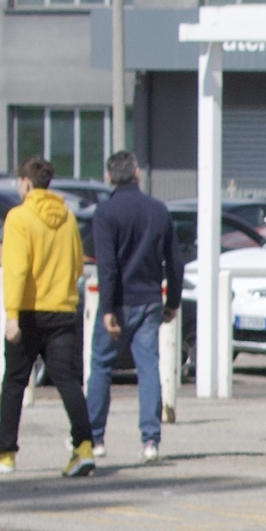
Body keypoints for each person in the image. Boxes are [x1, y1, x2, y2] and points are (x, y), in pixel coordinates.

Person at [0, 156, 96, 477]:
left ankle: (5, 452)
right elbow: (78, 265)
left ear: (25, 182)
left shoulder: (19, 217)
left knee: (15, 382)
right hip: (62, 310)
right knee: (68, 381)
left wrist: (11, 316)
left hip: (28, 312)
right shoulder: (67, 217)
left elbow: (17, 269)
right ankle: (84, 447)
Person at [85, 151, 179, 464]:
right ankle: (150, 440)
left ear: (109, 177)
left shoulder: (105, 213)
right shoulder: (158, 210)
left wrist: (108, 308)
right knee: (148, 368)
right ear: (137, 173)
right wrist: (173, 301)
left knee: (101, 365)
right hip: (150, 299)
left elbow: (107, 266)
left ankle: (95, 438)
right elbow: (174, 262)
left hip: (120, 301)